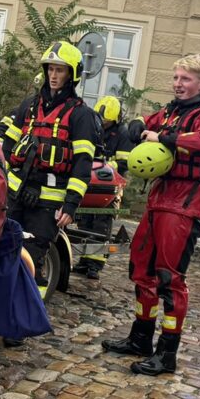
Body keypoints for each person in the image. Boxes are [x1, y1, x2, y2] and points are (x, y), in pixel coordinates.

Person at [102, 55, 200, 375]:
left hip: (187, 200)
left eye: (185, 79)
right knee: (141, 267)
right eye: (176, 78)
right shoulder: (173, 111)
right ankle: (140, 337)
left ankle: (167, 353)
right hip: (161, 196)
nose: (178, 84)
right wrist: (137, 126)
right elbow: (148, 121)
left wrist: (161, 137)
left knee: (169, 277)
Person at [0, 41, 100, 302]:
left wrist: (71, 204)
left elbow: (82, 163)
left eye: (60, 70)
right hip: (17, 195)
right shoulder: (29, 106)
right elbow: (7, 145)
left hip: (48, 205)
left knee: (30, 260)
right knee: (2, 251)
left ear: (72, 74)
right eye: (50, 69)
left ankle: (18, 324)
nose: (54, 76)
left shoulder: (81, 116)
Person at [74, 95, 138, 279]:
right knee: (84, 222)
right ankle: (84, 261)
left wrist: (106, 165)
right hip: (91, 182)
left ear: (115, 120)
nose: (104, 124)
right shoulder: (94, 127)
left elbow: (124, 163)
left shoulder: (123, 134)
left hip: (110, 187)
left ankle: (95, 264)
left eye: (107, 122)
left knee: (101, 224)